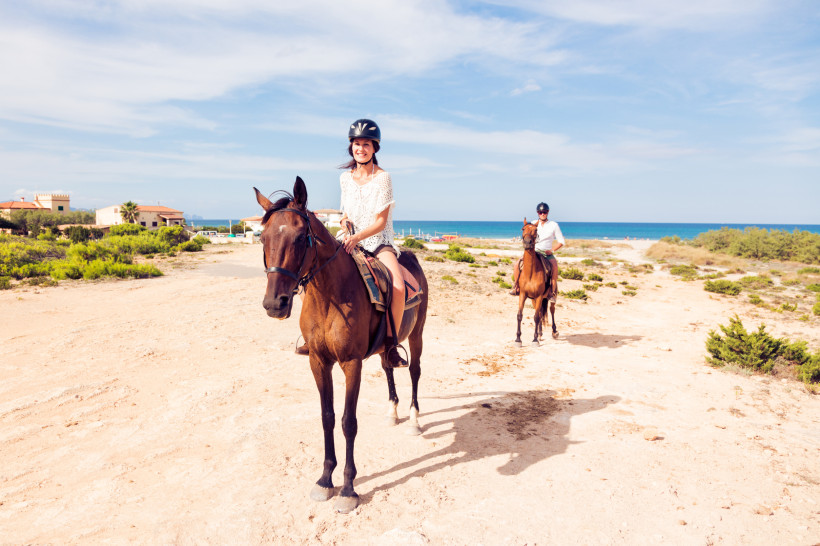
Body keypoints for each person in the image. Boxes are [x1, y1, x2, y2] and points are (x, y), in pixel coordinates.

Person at [337, 119, 407, 368]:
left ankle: (391, 345)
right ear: (351, 147)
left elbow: (380, 222)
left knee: (398, 287)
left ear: (375, 148)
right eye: (357, 144)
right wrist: (345, 223)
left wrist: (357, 237)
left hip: (378, 242)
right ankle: (313, 335)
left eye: (366, 144)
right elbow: (345, 214)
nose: (361, 149)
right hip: (349, 238)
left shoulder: (383, 178)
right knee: (312, 272)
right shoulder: (345, 178)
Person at [510, 202, 564, 300]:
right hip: (533, 252)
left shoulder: (554, 225)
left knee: (554, 267)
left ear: (548, 212)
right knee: (517, 264)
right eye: (540, 212)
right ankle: (516, 287)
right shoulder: (533, 223)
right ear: (537, 212)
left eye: (544, 212)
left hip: (546, 253)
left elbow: (561, 242)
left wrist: (552, 250)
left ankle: (552, 292)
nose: (542, 214)